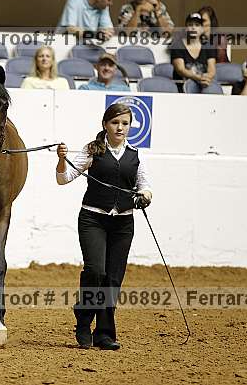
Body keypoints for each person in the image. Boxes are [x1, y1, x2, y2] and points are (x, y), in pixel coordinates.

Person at [56, 103, 152, 351]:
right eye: (115, 123)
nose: (120, 127)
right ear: (105, 125)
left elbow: (144, 185)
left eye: (125, 123)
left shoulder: (135, 155)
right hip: (93, 219)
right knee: (96, 271)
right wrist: (61, 160)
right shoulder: (93, 150)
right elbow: (63, 179)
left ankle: (104, 334)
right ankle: (83, 321)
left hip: (123, 223)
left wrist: (145, 196)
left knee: (112, 279)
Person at [170, 13, 217, 92]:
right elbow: (180, 69)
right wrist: (199, 78)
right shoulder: (177, 45)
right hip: (181, 89)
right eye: (190, 25)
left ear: (202, 29)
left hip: (204, 85)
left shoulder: (208, 45)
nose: (193, 27)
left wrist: (207, 77)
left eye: (197, 25)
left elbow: (212, 68)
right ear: (186, 28)